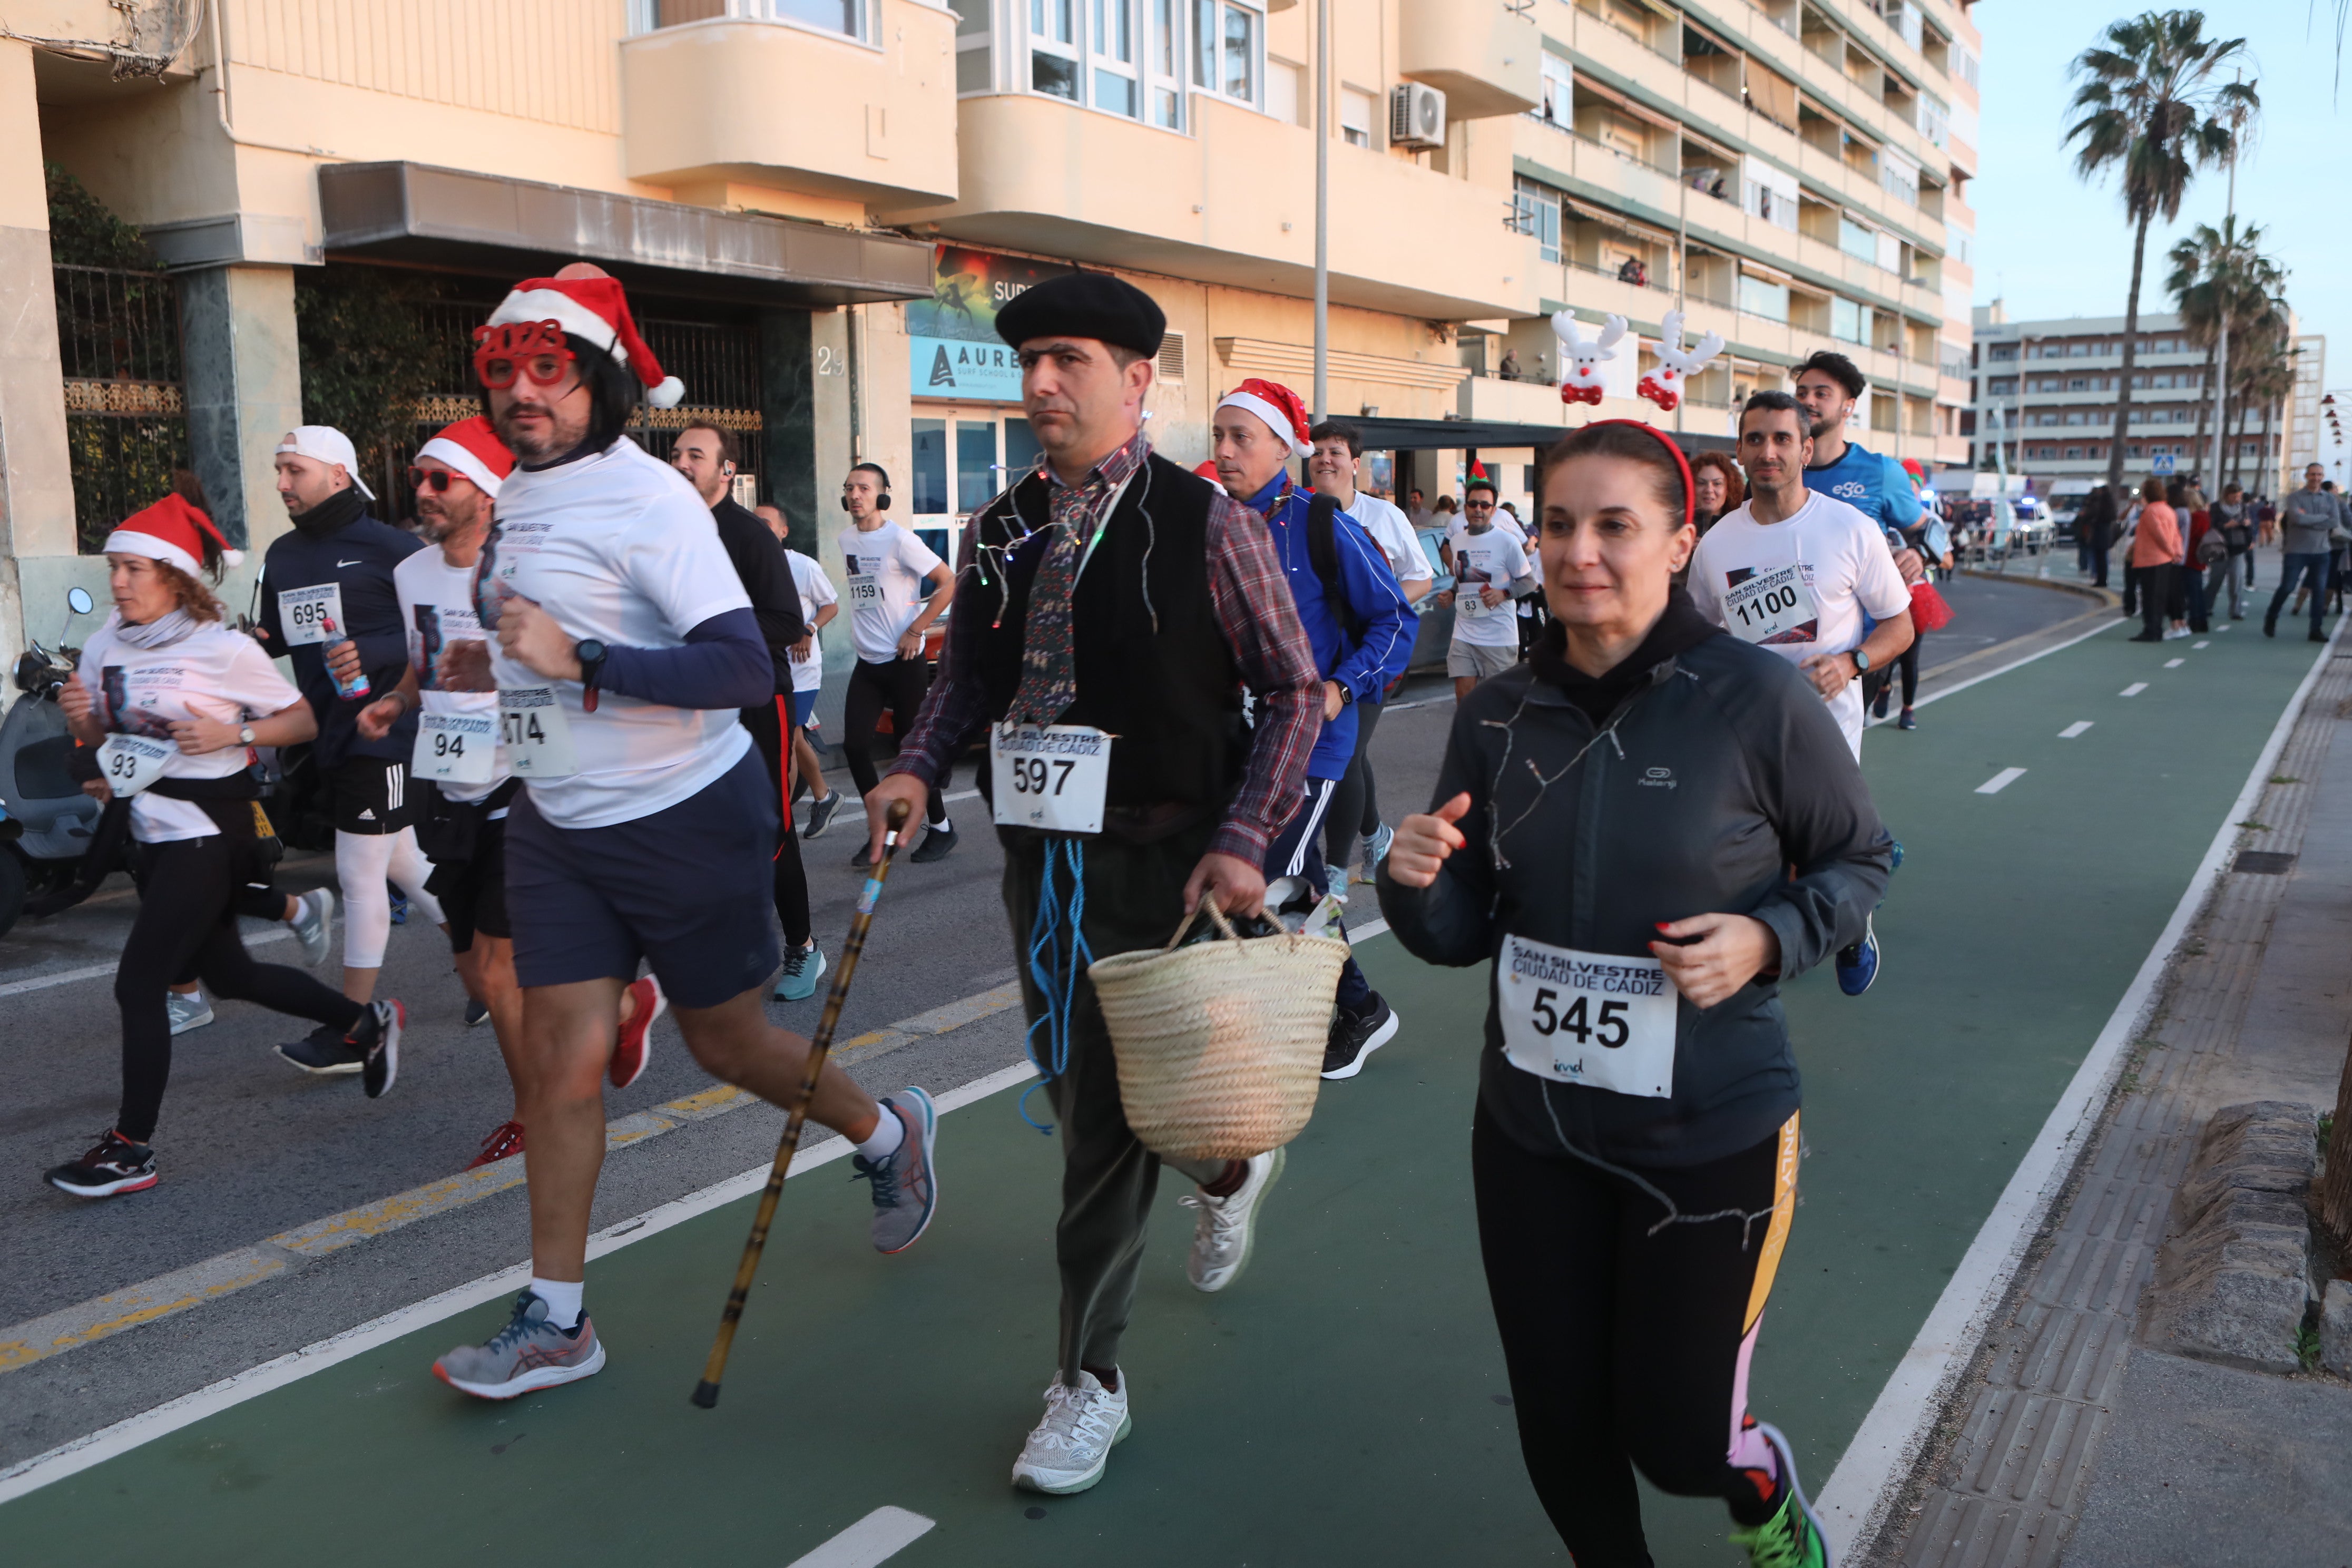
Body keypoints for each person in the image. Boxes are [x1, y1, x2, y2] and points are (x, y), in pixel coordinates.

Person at [1379, 418, 1886, 1568]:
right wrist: (1410, 884)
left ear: (1677, 540)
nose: (1578, 553)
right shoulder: (1497, 716)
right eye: (1558, 524)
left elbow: (1863, 860)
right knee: (1561, 1429)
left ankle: (1760, 1489)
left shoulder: (1757, 702)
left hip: (1710, 1132)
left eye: (1615, 525)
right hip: (1530, 1131)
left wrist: (1767, 937)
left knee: (1678, 1440)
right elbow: (1462, 934)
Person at [428, 266, 938, 1399]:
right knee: (558, 1071)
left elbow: (740, 663)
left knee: (729, 1046)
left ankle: (889, 1136)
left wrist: (585, 662)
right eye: (503, 368)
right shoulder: (516, 495)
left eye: (548, 370)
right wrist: (492, 663)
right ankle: (558, 1319)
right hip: (558, 819)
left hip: (682, 818)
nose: (522, 391)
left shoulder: (651, 499)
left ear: (600, 383)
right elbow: (546, 636)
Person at [861, 271, 1320, 1496]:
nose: (1040, 385)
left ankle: (1086, 1381)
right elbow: (966, 679)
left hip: (1168, 867)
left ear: (1135, 380)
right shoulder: (1000, 526)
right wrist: (913, 766)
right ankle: (1226, 1168)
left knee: (1104, 1137)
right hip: (1039, 864)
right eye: (1029, 363)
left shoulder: (1207, 521)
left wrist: (1247, 835)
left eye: (1067, 362)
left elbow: (1294, 689)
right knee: (1087, 1105)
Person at [46, 496, 403, 1197]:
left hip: (211, 834)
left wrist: (232, 736)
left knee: (138, 982)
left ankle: (129, 1150)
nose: (119, 581)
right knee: (233, 976)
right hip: (150, 835)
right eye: (114, 567)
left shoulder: (221, 648)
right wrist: (84, 734)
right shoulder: (105, 644)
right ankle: (363, 1021)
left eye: (134, 568)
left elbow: (300, 718)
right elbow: (99, 750)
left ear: (176, 576)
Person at [1213, 380, 1415, 1079]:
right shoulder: (1212, 525)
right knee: (1282, 888)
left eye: (1242, 437)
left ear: (1282, 446)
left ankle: (1337, 1010)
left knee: (1267, 881)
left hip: (1313, 745)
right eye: (1219, 436)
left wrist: (1340, 686)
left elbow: (1396, 620)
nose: (1226, 450)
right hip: (1237, 746)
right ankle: (1350, 1006)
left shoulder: (1322, 525)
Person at [1689, 390, 1910, 996]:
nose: (1769, 451)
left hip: (1827, 729)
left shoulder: (1850, 529)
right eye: (1756, 439)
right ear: (1740, 451)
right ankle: (1761, 965)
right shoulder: (1717, 547)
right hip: (1745, 732)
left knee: (1826, 853)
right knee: (1757, 855)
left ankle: (1853, 922)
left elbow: (1901, 624)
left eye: (1782, 439)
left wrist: (1852, 662)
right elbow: (1701, 633)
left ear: (1807, 449)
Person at [256, 425, 448, 1074]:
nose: (282, 483)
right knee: (404, 864)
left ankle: (353, 1031)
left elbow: (436, 633)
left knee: (359, 877)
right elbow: (276, 638)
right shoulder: (281, 554)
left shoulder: (393, 550)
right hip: (326, 732)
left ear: (338, 475)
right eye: (279, 470)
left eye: (294, 470)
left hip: (385, 730)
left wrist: (375, 653)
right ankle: (490, 964)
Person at [668, 424, 827, 1003]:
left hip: (758, 698)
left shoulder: (749, 536)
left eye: (696, 455)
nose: (682, 462)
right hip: (690, 700)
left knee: (771, 824)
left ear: (726, 471)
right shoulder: (664, 532)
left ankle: (802, 947)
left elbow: (787, 623)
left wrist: (705, 629)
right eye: (677, 453)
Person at [1307, 418, 1435, 886]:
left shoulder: (1385, 517)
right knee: (1352, 755)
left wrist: (1379, 603)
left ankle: (1337, 867)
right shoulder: (1299, 514)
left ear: (1356, 464)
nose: (1325, 459)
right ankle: (1375, 833)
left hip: (1373, 656)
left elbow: (1421, 578)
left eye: (1336, 452)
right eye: (1318, 450)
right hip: (1321, 659)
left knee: (1346, 753)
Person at [835, 462, 957, 864]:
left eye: (865, 489)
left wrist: (917, 629)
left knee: (911, 751)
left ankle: (941, 827)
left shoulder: (900, 540)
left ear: (883, 494)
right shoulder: (846, 540)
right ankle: (882, 827)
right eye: (851, 488)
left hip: (905, 661)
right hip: (867, 663)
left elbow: (948, 581)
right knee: (855, 745)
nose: (856, 495)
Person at [754, 503, 849, 840]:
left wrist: (808, 630)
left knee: (788, 739)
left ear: (783, 531)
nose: (759, 528)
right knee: (786, 739)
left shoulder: (802, 566)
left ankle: (781, 823)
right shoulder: (747, 566)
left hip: (801, 669)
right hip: (762, 666)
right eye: (754, 522)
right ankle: (824, 797)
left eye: (766, 523)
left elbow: (832, 605)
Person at [1443, 479, 1539, 702]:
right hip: (1464, 631)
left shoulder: (1507, 542)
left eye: (1485, 506)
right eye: (1473, 504)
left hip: (1498, 636)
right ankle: (1469, 736)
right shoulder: (1457, 541)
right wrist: (1451, 592)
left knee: (1498, 704)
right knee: (1464, 698)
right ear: (1465, 507)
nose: (1478, 509)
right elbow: (1467, 577)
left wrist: (1503, 594)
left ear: (1494, 511)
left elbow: (1529, 582)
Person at [2261, 467, 2337, 642]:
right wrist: (2321, 518)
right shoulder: (2295, 497)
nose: (2316, 478)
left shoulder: (2330, 499)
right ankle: (2271, 617)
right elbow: (2297, 519)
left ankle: (2315, 629)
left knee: (2319, 591)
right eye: (2313, 474)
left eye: (2319, 475)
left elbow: (2334, 521)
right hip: (2296, 551)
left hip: (2322, 551)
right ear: (2306, 476)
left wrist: (2310, 519)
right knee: (2288, 587)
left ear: (2323, 477)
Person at [2124, 476, 2181, 644]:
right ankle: (2156, 628)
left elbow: (2159, 535)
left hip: (2151, 558)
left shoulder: (2150, 511)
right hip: (2165, 560)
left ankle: (2152, 630)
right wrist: (2177, 552)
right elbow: (2175, 535)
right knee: (2159, 596)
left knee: (2150, 597)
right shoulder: (2168, 510)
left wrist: (2170, 551)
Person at [1689, 450, 1743, 535]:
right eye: (1701, 483)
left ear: (1729, 489)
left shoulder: (1740, 529)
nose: (1709, 490)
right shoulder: (1677, 525)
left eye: (1717, 484)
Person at [2076, 482, 2117, 591]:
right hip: (2105, 534)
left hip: (2098, 533)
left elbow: (2089, 515)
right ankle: (2102, 579)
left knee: (2098, 558)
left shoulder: (2099, 503)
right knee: (2103, 558)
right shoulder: (2110, 505)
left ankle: (2100, 579)